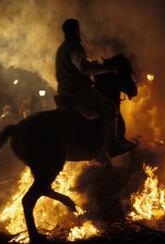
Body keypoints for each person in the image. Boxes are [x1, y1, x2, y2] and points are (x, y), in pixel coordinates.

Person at [55, 18, 134, 157]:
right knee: (111, 108)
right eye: (78, 30)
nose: (79, 33)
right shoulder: (74, 47)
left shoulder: (61, 49)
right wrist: (110, 69)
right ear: (75, 31)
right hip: (78, 91)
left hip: (64, 92)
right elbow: (84, 68)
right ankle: (112, 145)